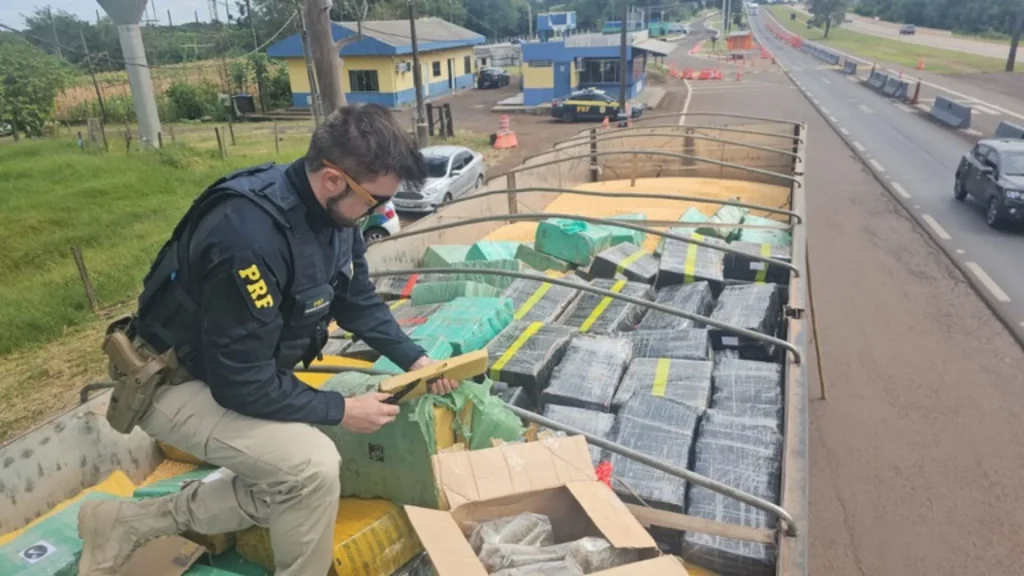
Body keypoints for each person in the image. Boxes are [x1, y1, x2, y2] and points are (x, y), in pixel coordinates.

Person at [77, 104, 458, 576]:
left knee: (294, 485)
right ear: (334, 179)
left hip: (230, 368)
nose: (379, 212)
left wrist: (415, 359)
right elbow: (241, 382)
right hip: (169, 382)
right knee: (311, 466)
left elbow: (355, 298)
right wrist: (341, 410)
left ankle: (122, 523)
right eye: (374, 201)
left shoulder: (333, 218)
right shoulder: (249, 238)